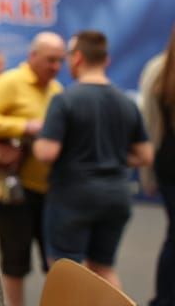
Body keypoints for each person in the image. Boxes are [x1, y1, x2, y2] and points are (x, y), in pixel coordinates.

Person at [32, 31, 153, 290]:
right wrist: (112, 155)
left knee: (64, 270)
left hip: (72, 196)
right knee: (103, 268)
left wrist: (34, 138)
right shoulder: (126, 102)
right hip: (116, 195)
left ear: (76, 58)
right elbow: (145, 155)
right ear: (106, 60)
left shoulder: (64, 100)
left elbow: (46, 153)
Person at [0, 31, 66, 306]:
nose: (56, 66)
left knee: (56, 262)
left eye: (60, 60)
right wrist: (26, 126)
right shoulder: (9, 81)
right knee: (15, 262)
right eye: (50, 59)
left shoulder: (56, 89)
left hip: (49, 189)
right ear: (33, 56)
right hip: (13, 189)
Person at [141, 25, 175, 306]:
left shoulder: (158, 69)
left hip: (167, 163)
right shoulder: (159, 69)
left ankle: (163, 298)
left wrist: (148, 174)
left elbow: (150, 127)